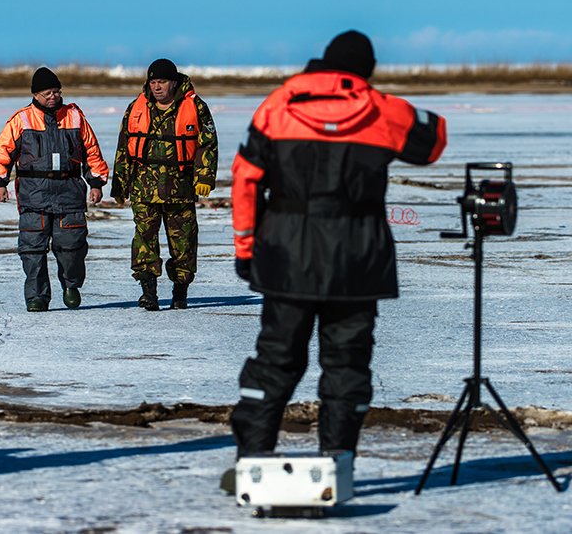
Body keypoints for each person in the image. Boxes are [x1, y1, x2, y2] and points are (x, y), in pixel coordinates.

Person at [229, 31, 447, 463]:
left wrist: (245, 246)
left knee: (275, 359)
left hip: (286, 253)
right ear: (365, 70)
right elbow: (434, 142)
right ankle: (338, 457)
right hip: (357, 257)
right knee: (347, 363)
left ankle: (253, 455)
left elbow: (245, 178)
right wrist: (385, 102)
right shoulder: (382, 109)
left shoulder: (280, 103)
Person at [0, 67, 109, 312]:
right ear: (35, 95)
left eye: (56, 91)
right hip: (34, 196)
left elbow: (92, 152)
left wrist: (96, 182)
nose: (53, 96)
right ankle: (37, 297)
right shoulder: (21, 120)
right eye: (47, 93)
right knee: (32, 249)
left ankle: (71, 285)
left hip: (69, 193)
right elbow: (2, 152)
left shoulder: (75, 117)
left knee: (72, 247)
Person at [110, 58, 218, 310]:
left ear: (174, 82)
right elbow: (124, 147)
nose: (157, 87)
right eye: (153, 82)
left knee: (184, 243)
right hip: (143, 189)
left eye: (162, 82)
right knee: (144, 240)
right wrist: (120, 184)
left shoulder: (196, 107)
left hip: (179, 188)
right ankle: (148, 291)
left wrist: (204, 177)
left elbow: (208, 144)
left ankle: (180, 290)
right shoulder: (136, 108)